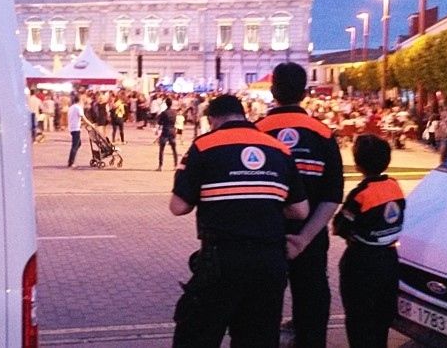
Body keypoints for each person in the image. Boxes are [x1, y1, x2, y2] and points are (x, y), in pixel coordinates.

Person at [169, 94, 309, 348]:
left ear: (212, 119)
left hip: (221, 261)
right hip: (269, 261)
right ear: (243, 115)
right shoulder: (279, 148)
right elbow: (300, 210)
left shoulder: (204, 146)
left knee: (197, 336)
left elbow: (178, 207)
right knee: (257, 340)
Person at [254, 62, 344, 348]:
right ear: (305, 93)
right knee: (312, 306)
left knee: (262, 310)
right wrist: (304, 238)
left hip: (265, 239)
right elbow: (333, 195)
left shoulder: (256, 133)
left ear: (273, 92)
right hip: (310, 239)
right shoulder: (323, 134)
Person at [332, 134, 405, 348]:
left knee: (358, 319)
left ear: (357, 164)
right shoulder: (395, 186)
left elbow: (339, 226)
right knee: (381, 319)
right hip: (389, 259)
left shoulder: (360, 194)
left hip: (361, 262)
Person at [67, 94, 92, 168]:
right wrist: (91, 124)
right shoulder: (78, 108)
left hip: (72, 127)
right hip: (76, 128)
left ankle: (71, 159)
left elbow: (74, 118)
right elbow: (83, 118)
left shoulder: (71, 107)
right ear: (80, 100)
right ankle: (71, 162)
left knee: (78, 144)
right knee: (75, 145)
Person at [156, 97, 178, 171]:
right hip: (172, 131)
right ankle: (175, 165)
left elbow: (159, 122)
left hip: (165, 130)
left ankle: (160, 166)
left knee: (161, 149)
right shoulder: (174, 112)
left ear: (166, 104)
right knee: (174, 149)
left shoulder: (164, 113)